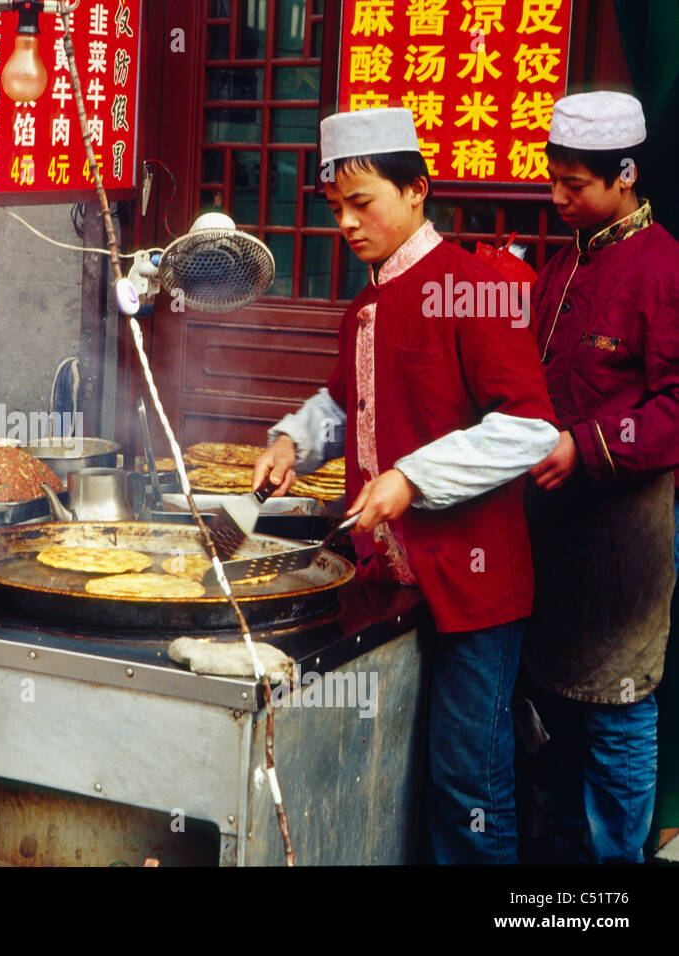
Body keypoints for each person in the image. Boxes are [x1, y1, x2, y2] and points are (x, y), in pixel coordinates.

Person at [252, 108, 559, 864]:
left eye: (366, 204)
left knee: (469, 785)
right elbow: (344, 401)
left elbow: (529, 428)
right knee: (398, 774)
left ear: (417, 191)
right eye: (337, 211)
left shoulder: (472, 287)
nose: (349, 225)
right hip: (390, 581)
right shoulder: (366, 304)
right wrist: (292, 437)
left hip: (474, 590)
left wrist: (411, 479)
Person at [522, 91, 679, 864]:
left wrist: (586, 445)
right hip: (552, 532)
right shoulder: (561, 266)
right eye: (552, 180)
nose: (557, 199)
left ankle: (618, 870)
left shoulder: (665, 269)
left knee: (618, 705)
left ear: (625, 175)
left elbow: (677, 407)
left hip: (623, 536)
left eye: (573, 186)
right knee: (552, 700)